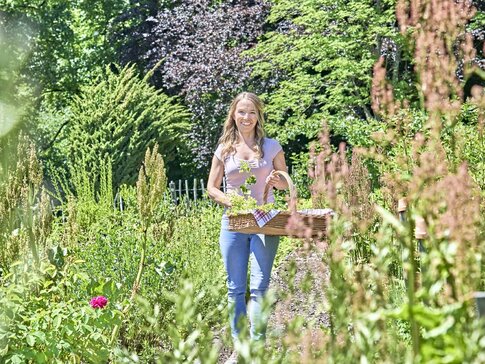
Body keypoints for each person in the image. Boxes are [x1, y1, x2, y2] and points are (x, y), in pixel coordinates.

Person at [207, 92, 288, 351]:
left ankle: (257, 348)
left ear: (258, 115)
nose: (247, 117)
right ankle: (241, 347)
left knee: (260, 288)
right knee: (235, 289)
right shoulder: (224, 150)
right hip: (234, 223)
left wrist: (280, 181)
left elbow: (286, 183)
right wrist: (232, 202)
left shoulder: (271, 147)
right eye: (241, 112)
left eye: (252, 112)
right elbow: (212, 188)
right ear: (233, 114)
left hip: (266, 221)